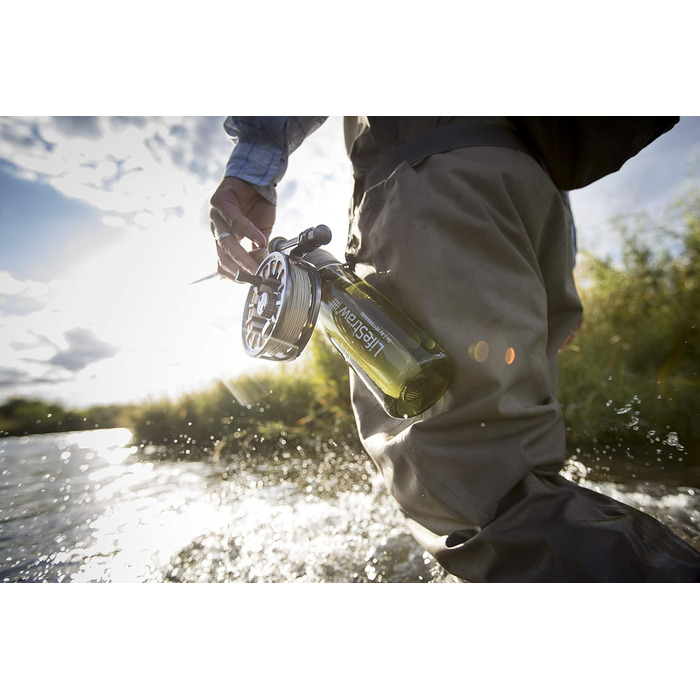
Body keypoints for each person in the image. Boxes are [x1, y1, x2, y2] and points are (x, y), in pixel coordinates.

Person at [209, 116, 700, 582]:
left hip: (428, 180)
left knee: (477, 502)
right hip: (528, 194)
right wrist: (554, 272)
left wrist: (255, 163)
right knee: (522, 469)